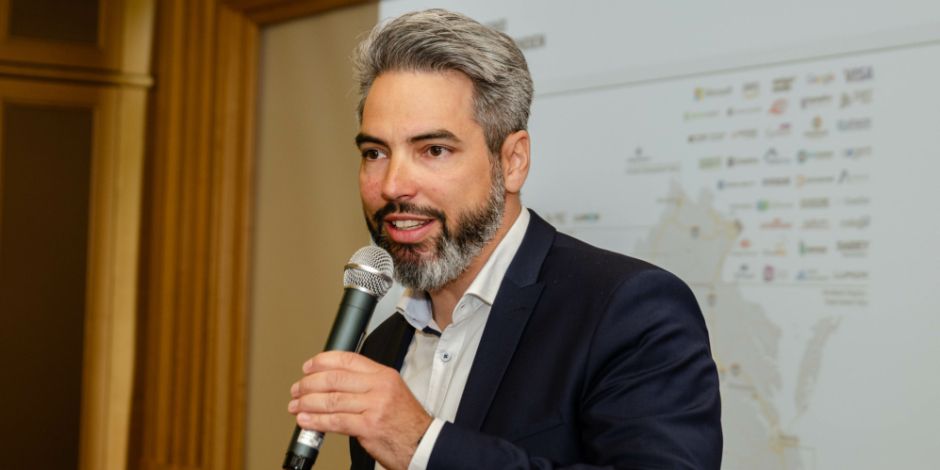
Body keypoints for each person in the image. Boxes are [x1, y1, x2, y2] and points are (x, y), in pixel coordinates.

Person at [287, 9, 722, 469]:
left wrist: (421, 446)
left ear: (513, 161)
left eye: (434, 150)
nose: (393, 185)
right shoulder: (381, 346)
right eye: (375, 153)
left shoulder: (630, 311)